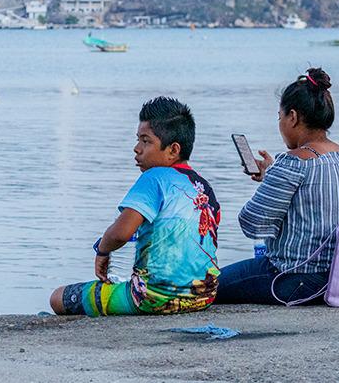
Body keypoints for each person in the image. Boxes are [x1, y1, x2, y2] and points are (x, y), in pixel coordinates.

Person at [49, 97, 221, 316]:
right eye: (138, 140)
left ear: (173, 150)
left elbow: (121, 233)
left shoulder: (153, 178)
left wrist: (103, 250)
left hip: (151, 298)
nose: (136, 149)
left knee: (58, 297)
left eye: (146, 141)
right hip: (204, 296)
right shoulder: (204, 188)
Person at [215, 68, 339, 305]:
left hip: (296, 278)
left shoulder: (293, 162)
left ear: (293, 117)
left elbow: (251, 222)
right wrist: (271, 176)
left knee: (206, 286)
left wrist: (274, 179)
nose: (280, 123)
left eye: (280, 117)